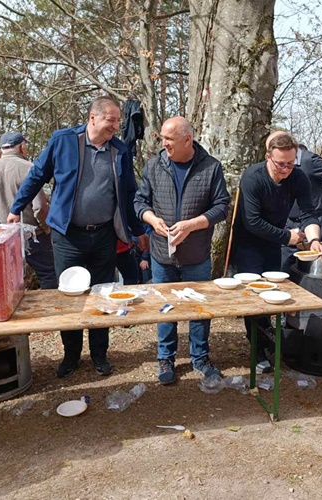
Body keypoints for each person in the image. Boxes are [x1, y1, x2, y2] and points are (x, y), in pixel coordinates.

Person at [8, 96, 148, 378]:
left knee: (103, 296)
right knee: (70, 298)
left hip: (105, 236)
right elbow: (37, 175)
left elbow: (129, 194)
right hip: (68, 237)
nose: (116, 126)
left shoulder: (119, 151)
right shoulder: (63, 141)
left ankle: (100, 355)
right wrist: (16, 208)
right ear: (93, 117)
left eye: (118, 120)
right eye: (111, 120)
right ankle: (71, 356)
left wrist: (139, 231)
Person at [135, 116, 231, 385]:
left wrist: (193, 225)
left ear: (187, 140)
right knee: (166, 308)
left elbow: (222, 206)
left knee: (198, 308)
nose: (163, 143)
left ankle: (200, 357)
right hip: (161, 255)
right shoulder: (154, 165)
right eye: (163, 138)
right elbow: (139, 201)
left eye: (169, 139)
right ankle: (165, 357)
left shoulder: (211, 168)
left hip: (196, 254)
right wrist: (152, 220)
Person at [231, 133, 322, 373]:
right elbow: (251, 221)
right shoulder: (253, 177)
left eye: (290, 164)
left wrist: (313, 239)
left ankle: (269, 339)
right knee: (253, 297)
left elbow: (308, 212)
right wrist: (287, 236)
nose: (285, 169)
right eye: (280, 164)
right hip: (248, 244)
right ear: (268, 157)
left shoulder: (298, 177)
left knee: (272, 293)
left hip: (273, 243)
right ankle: (257, 350)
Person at [0, 132, 57, 290]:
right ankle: (49, 312)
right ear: (22, 147)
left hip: (5, 235)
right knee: (48, 274)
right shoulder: (29, 168)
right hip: (33, 234)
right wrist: (46, 228)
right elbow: (39, 206)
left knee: (10, 279)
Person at [269, 132, 322, 271]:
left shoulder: (310, 161)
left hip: (314, 221)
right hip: (289, 221)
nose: (285, 167)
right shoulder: (274, 166)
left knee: (310, 268)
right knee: (283, 265)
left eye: (290, 163)